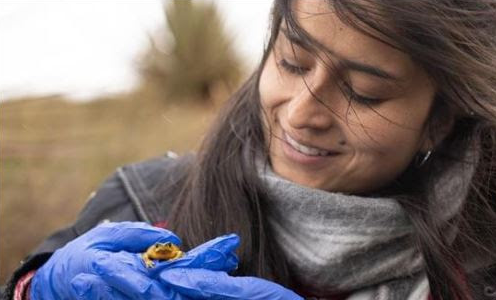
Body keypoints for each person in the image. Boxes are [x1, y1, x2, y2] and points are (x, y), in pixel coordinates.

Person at [2, 0, 496, 299]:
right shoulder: (144, 201)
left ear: (439, 120)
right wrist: (34, 291)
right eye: (293, 62)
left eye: (362, 92)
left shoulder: (480, 265)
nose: (302, 113)